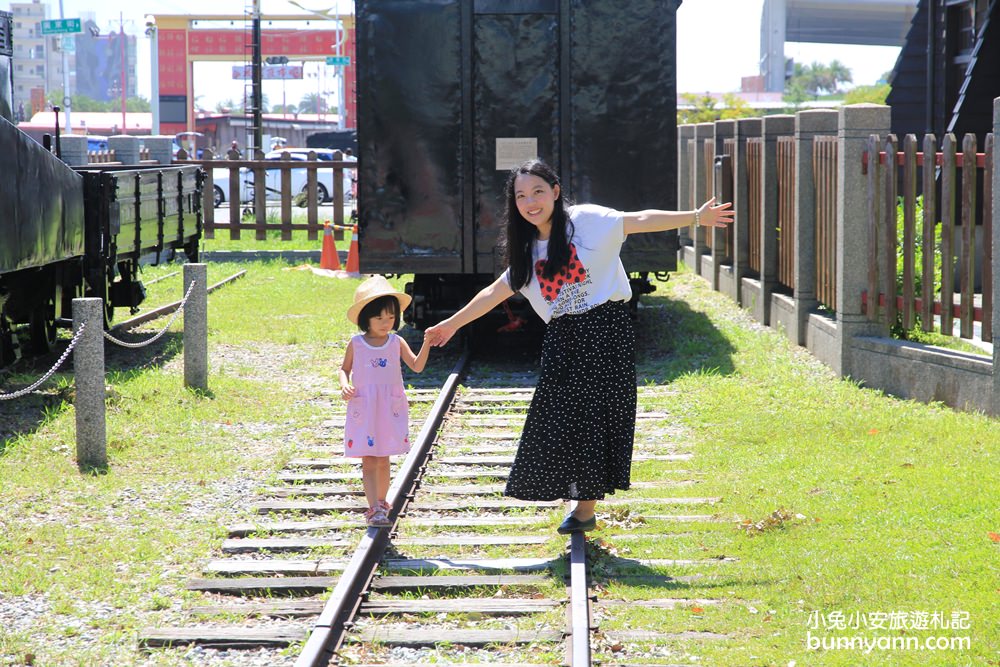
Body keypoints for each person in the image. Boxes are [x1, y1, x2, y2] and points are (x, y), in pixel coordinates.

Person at [424, 158, 733, 534]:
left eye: (538, 191)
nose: (530, 201)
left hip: (606, 329)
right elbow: (495, 291)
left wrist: (695, 217)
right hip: (563, 337)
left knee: (596, 417)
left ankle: (585, 508)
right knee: (555, 418)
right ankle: (576, 497)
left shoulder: (586, 221)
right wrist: (451, 324)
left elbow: (638, 220)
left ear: (555, 192)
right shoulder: (525, 249)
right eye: (521, 196)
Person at [340, 276, 430, 527]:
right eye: (379, 318)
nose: (385, 323)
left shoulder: (396, 342)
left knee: (383, 457)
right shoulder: (356, 343)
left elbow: (417, 366)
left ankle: (382, 502)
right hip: (365, 405)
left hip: (389, 408)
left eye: (390, 318)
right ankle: (373, 508)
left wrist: (427, 343)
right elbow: (344, 369)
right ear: (365, 319)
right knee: (369, 458)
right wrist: (344, 385)